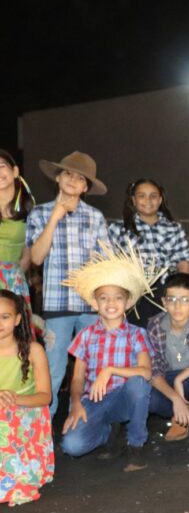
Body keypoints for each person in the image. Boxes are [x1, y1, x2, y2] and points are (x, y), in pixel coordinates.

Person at [27, 152, 111, 417]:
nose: (73, 179)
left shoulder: (95, 217)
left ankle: (92, 423)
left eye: (80, 178)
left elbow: (106, 262)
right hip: (57, 304)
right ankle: (43, 430)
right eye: (68, 173)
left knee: (95, 367)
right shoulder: (40, 213)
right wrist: (55, 216)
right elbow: (36, 257)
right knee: (53, 370)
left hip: (90, 305)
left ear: (86, 187)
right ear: (58, 177)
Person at [60, 245, 157, 472]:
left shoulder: (137, 334)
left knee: (139, 383)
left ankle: (136, 444)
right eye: (104, 298)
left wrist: (110, 370)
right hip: (93, 401)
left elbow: (146, 371)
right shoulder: (86, 335)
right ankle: (108, 432)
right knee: (72, 446)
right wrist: (75, 404)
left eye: (118, 298)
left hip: (123, 398)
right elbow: (77, 378)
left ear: (128, 302)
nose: (111, 304)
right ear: (95, 303)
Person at [108, 178, 189, 325]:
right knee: (136, 333)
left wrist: (184, 292)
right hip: (132, 292)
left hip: (165, 290)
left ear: (160, 200)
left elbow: (183, 262)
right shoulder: (119, 229)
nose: (148, 200)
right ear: (133, 200)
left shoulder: (173, 228)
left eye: (153, 196)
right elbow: (108, 264)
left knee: (163, 333)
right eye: (141, 196)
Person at [0, 291, 53, 506]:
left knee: (5, 416)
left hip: (26, 413)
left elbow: (45, 397)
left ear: (17, 319)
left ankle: (12, 476)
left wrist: (14, 399)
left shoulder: (33, 350)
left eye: (5, 317)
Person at [145, 273, 189, 443]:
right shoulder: (155, 325)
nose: (177, 306)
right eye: (172, 299)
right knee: (148, 399)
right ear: (164, 302)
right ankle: (182, 408)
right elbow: (153, 368)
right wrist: (175, 397)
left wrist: (179, 379)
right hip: (168, 378)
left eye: (184, 300)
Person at [0, 150, 33, 298]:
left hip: (14, 279)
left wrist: (12, 277)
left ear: (15, 171)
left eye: (2, 166)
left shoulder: (30, 209)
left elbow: (28, 254)